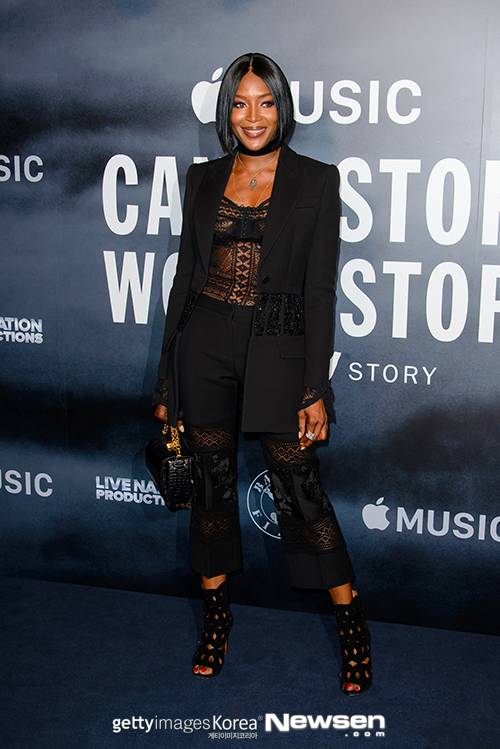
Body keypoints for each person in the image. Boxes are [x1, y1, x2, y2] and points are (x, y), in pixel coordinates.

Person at [152, 52, 373, 694]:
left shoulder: (317, 180)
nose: (253, 117)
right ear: (227, 111)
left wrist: (314, 388)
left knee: (300, 490)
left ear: (282, 107)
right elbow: (184, 281)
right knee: (211, 489)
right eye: (241, 104)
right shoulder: (202, 179)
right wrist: (168, 381)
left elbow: (320, 291)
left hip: (279, 344)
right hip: (204, 344)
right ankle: (216, 618)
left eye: (265, 102)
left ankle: (351, 622)